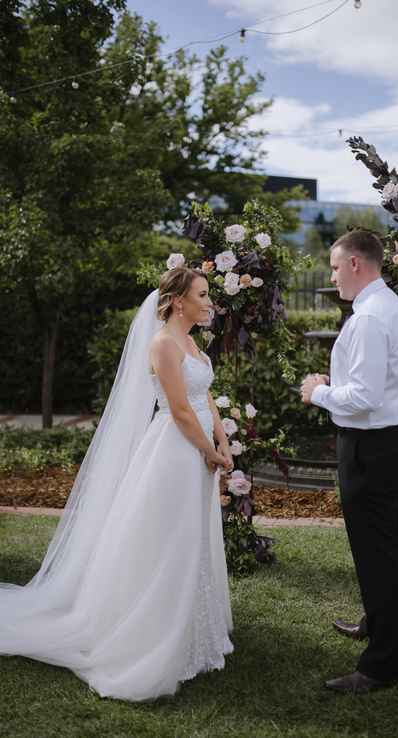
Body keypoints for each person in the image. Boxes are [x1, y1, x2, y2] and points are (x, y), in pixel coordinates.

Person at [0, 267, 234, 701]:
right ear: (178, 301)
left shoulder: (193, 343)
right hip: (177, 451)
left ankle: (195, 632)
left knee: (194, 538)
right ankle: (155, 633)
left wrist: (222, 438)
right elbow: (181, 410)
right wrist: (209, 451)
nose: (209, 302)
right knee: (170, 541)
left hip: (200, 448)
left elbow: (205, 400)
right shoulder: (163, 344)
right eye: (202, 295)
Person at [300, 231, 398, 695]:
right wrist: (335, 383)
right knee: (382, 545)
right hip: (387, 438)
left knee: (377, 553)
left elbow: (367, 398)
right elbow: (376, 382)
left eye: (333, 268)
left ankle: (380, 666)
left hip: (372, 444)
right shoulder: (388, 305)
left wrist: (318, 394)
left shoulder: (370, 317)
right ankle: (378, 623)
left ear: (354, 264)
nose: (331, 277)